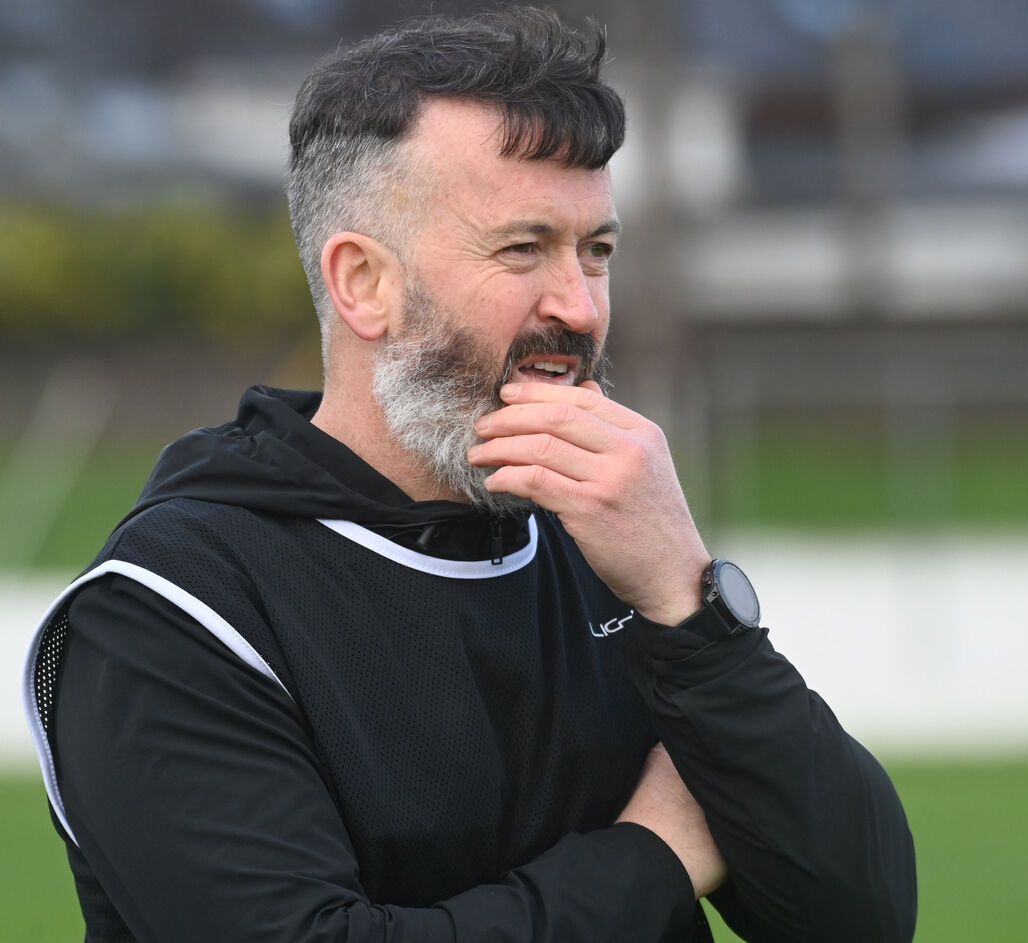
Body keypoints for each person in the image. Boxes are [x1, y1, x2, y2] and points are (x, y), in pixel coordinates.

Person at [24, 8, 916, 942]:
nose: (576, 306)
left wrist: (692, 604)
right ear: (364, 282)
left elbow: (861, 915)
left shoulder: (609, 540)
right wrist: (652, 857)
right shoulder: (173, 608)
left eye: (597, 250)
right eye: (522, 249)